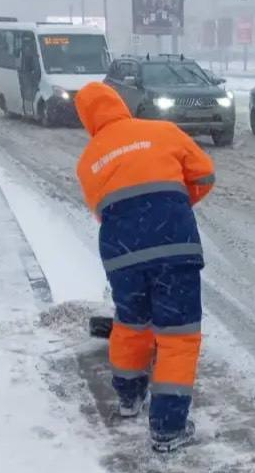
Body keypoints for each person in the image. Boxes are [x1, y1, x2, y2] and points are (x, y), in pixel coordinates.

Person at [74, 82, 215, 453]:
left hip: (122, 254)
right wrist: (175, 204)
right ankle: (167, 429)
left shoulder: (88, 160)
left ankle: (128, 397)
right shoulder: (162, 131)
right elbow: (204, 174)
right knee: (178, 335)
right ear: (120, 103)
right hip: (173, 244)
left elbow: (102, 211)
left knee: (131, 324)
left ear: (87, 118)